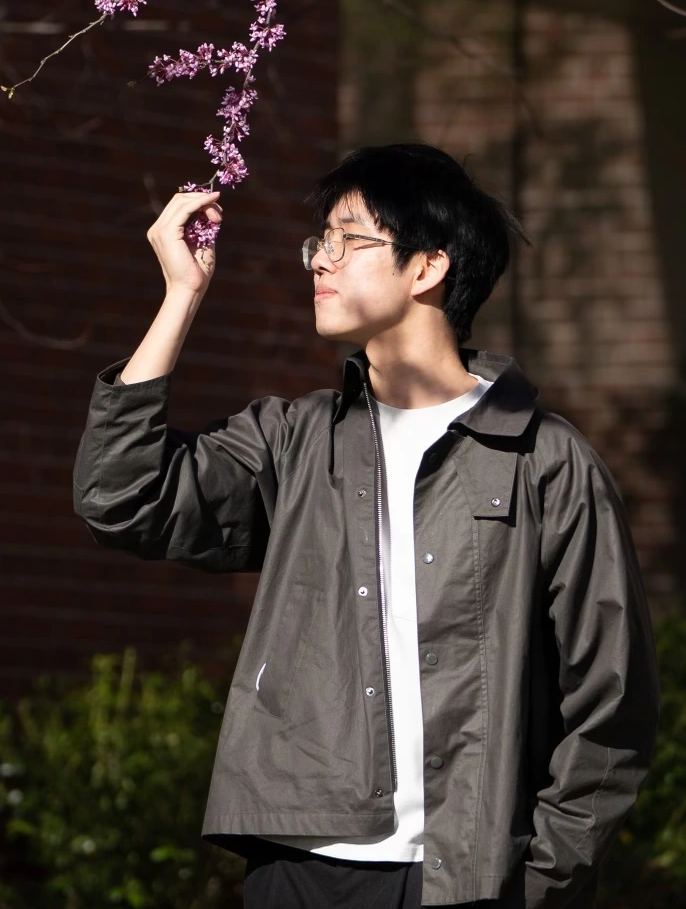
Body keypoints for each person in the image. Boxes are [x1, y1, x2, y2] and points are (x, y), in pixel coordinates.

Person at [74, 142, 659, 909]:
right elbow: (120, 494)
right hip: (299, 864)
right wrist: (181, 295)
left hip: (471, 876)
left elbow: (611, 700)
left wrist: (542, 876)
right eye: (319, 241)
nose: (319, 260)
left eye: (348, 240)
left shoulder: (544, 460)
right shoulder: (294, 441)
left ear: (428, 268)